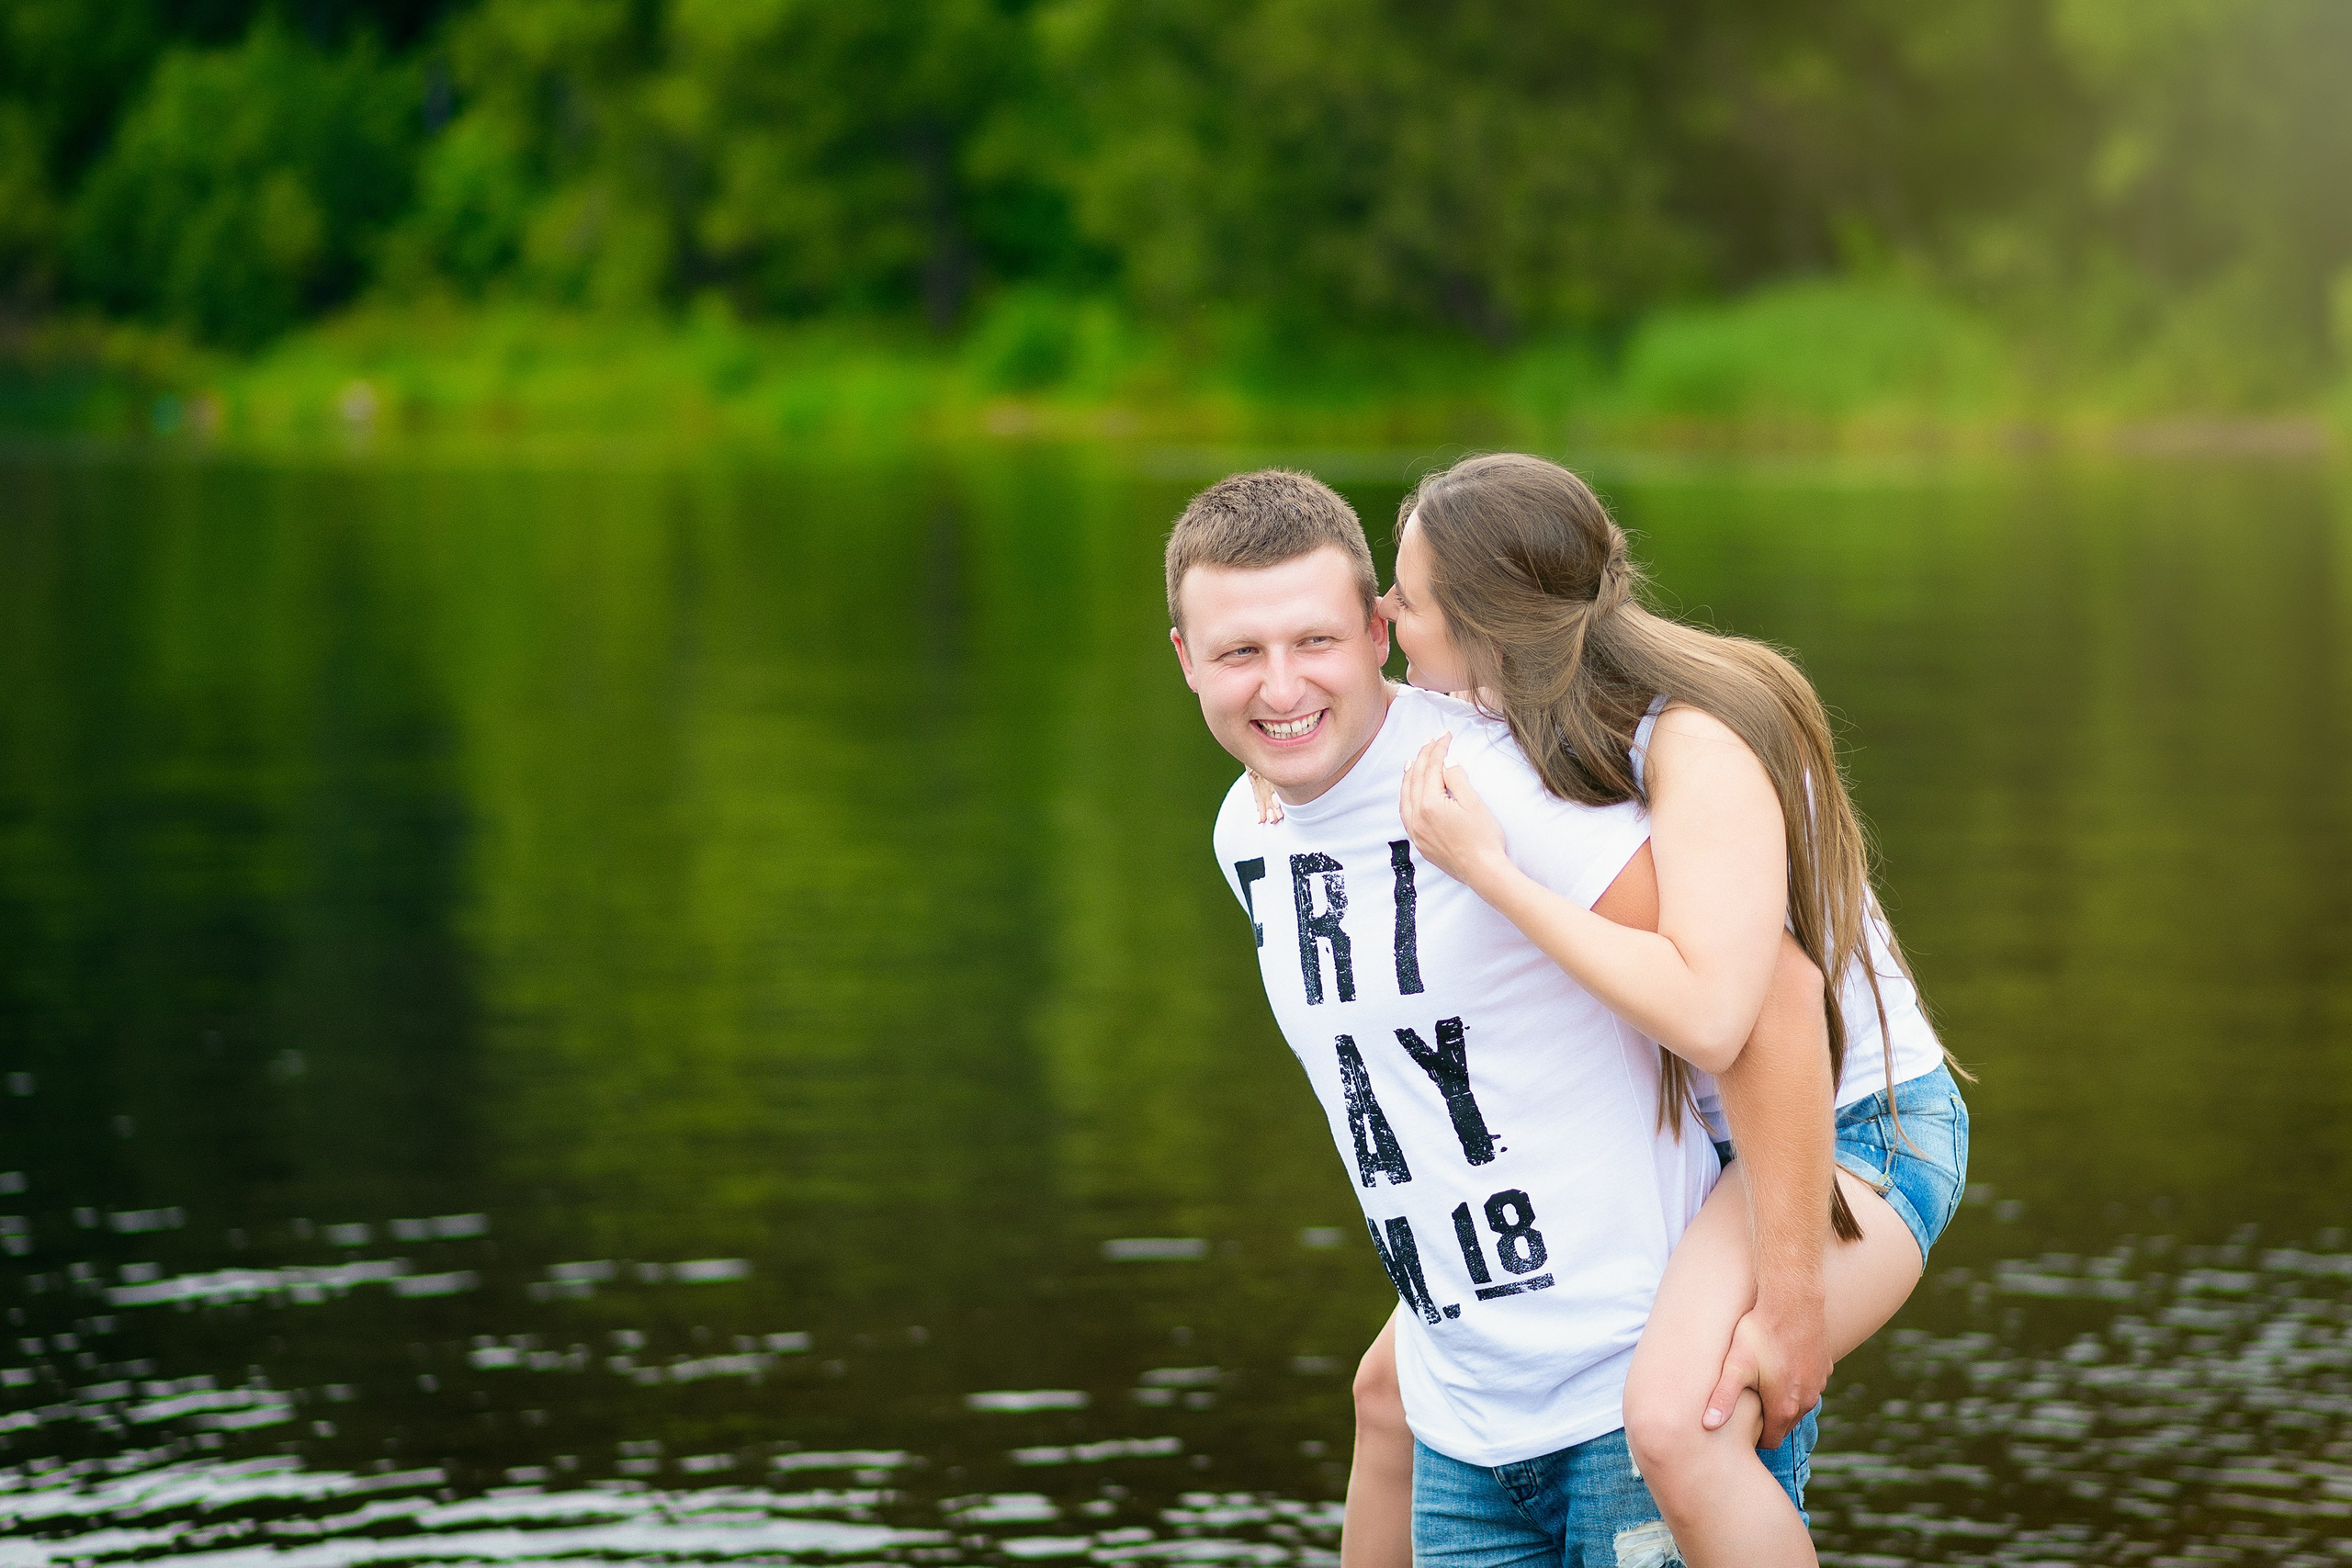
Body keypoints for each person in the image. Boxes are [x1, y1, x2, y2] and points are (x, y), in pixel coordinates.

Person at [1166, 468, 1842, 1568]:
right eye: (1239, 652)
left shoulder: (1497, 783)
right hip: (1465, 1423)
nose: (1281, 686)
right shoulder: (1245, 833)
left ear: (1381, 631)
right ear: (1186, 659)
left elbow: (1762, 1002)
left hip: (1631, 1391)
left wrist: (1789, 1295)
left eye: (1316, 642)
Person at [1329, 453, 1973, 1568]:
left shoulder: (1689, 740)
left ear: (1487, 625)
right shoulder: (1527, 733)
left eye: (1407, 598)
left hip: (1855, 1128)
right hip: (1703, 1147)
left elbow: (1727, 1016)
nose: (1386, 617)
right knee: (1392, 1389)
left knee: (1678, 1424)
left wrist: (1790, 1300)